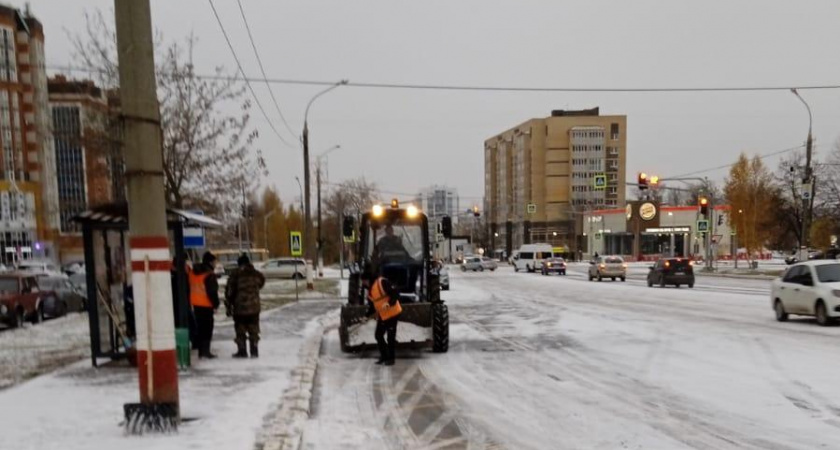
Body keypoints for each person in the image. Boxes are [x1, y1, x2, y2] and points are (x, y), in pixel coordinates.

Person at [225, 254, 266, 358]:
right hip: (254, 307)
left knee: (240, 330)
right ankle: (254, 350)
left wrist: (229, 306)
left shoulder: (235, 274)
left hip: (240, 308)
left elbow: (230, 291)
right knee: (254, 330)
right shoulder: (256, 274)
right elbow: (261, 283)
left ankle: (242, 351)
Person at [362, 267, 401, 366]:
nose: (363, 284)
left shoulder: (381, 282)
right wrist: (366, 316)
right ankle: (384, 357)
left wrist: (389, 303)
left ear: (368, 280)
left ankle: (391, 359)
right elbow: (372, 306)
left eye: (364, 281)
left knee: (390, 337)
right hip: (383, 315)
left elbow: (395, 293)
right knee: (378, 335)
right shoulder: (370, 291)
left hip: (393, 313)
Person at [188, 251, 220, 359]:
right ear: (210, 262)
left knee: (200, 328)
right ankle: (206, 351)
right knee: (207, 328)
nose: (216, 264)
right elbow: (212, 292)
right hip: (206, 304)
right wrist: (216, 304)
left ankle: (201, 350)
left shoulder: (193, 272)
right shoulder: (209, 275)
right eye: (215, 261)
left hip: (195, 304)